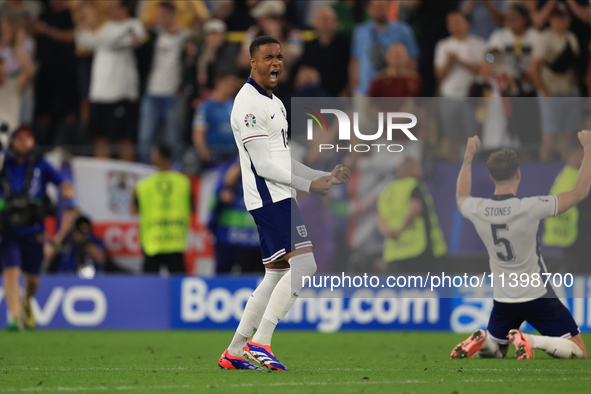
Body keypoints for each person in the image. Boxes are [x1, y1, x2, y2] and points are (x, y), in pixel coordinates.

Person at [218, 36, 351, 371]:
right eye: (267, 58)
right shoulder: (248, 103)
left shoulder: (274, 103)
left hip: (279, 195)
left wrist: (322, 175)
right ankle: (261, 343)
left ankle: (234, 351)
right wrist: (308, 185)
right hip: (270, 196)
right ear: (253, 62)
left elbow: (283, 158)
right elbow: (263, 166)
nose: (275, 63)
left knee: (276, 274)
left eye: (279, 57)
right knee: (305, 266)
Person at [451, 133, 591, 360]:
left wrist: (468, 154)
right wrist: (588, 148)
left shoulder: (479, 208)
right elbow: (580, 192)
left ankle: (485, 342)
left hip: (503, 299)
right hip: (537, 294)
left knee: (498, 352)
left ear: (491, 176)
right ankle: (531, 339)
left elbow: (460, 195)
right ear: (518, 174)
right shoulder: (530, 207)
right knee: (580, 352)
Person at [0, 127, 75, 331]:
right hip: (9, 230)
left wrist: (67, 188)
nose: (25, 143)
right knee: (11, 271)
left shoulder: (40, 164)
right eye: (20, 139)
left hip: (34, 230)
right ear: (13, 141)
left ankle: (27, 301)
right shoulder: (3, 162)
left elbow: (63, 181)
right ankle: (14, 317)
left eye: (29, 138)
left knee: (32, 279)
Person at [74, 0, 146, 161]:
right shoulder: (106, 28)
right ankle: (101, 181)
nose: (109, 10)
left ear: (124, 7)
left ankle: (127, 180)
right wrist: (83, 20)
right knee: (99, 138)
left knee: (123, 140)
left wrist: (94, 25)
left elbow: (124, 41)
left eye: (113, 7)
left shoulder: (134, 25)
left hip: (121, 94)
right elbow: (83, 41)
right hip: (99, 93)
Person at [137, 1, 192, 164]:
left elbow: (189, 66)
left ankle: (174, 172)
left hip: (173, 94)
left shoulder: (185, 37)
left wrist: (189, 55)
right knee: (145, 139)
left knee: (173, 139)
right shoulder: (153, 35)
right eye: (157, 15)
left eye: (162, 15)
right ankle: (144, 172)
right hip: (151, 92)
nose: (159, 18)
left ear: (172, 14)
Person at [487, 3, 541, 159]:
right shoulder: (499, 36)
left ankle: (530, 156)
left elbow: (541, 60)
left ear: (525, 19)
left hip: (530, 89)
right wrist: (498, 61)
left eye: (515, 18)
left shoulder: (535, 37)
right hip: (507, 90)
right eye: (508, 19)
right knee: (510, 126)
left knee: (530, 127)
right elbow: (488, 56)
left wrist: (532, 73)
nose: (510, 22)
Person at [376, 158, 447, 273]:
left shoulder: (388, 190)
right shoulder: (413, 185)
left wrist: (389, 233)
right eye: (417, 166)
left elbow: (379, 218)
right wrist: (400, 229)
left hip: (395, 251)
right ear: (410, 169)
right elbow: (415, 208)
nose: (421, 168)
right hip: (418, 248)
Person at [130, 143, 192, 275]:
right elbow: (192, 209)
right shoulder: (184, 182)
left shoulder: (143, 186)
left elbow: (133, 210)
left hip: (153, 241)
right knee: (179, 285)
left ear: (156, 157)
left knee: (149, 287)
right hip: (175, 241)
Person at [530, 3, 581, 161]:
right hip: (552, 92)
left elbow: (573, 66)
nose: (562, 21)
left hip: (569, 92)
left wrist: (575, 86)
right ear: (551, 19)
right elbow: (533, 69)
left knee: (569, 138)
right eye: (558, 18)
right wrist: (545, 91)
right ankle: (543, 173)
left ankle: (567, 172)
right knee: (550, 138)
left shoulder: (571, 38)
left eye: (565, 18)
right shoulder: (545, 38)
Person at [435, 11, 485, 161]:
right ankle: (453, 166)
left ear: (466, 23)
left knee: (471, 135)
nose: (454, 25)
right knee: (452, 136)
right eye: (451, 23)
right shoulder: (443, 46)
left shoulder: (480, 44)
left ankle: (471, 165)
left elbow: (482, 70)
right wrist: (450, 62)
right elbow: (439, 74)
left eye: (458, 21)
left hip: (471, 97)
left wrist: (460, 61)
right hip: (449, 96)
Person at [350, 0, 418, 96]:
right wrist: (354, 89)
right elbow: (355, 61)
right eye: (375, 6)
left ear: (388, 6)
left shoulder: (403, 30)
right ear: (369, 9)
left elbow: (412, 62)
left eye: (382, 6)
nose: (379, 10)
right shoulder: (360, 31)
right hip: (364, 91)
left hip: (394, 94)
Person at [32, 0, 77, 146]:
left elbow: (73, 36)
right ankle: (41, 144)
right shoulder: (44, 13)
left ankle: (65, 146)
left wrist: (47, 30)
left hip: (67, 70)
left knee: (68, 112)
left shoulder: (71, 14)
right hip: (45, 69)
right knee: (43, 111)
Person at [209, 157, 262, 274]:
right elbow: (216, 200)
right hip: (229, 239)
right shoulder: (228, 168)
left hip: (256, 242)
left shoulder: (269, 167)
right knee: (224, 278)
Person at [542, 146, 591, 274]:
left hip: (577, 233)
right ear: (571, 157)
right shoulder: (576, 177)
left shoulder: (567, 174)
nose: (584, 160)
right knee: (578, 268)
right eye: (581, 156)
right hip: (577, 233)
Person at [300, 6, 351, 97]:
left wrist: (346, 91)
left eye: (328, 19)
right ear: (315, 23)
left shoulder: (345, 43)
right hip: (312, 91)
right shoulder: (309, 43)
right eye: (322, 20)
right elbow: (303, 66)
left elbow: (350, 69)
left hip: (335, 94)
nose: (325, 23)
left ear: (335, 23)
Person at [192, 71, 238, 168]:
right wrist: (203, 151)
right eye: (230, 82)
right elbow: (198, 132)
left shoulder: (235, 106)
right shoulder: (205, 107)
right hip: (212, 155)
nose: (233, 85)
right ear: (219, 83)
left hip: (232, 156)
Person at [0, 26, 34, 139]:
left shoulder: (13, 85)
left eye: (5, 73)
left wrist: (18, 47)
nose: (3, 76)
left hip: (11, 135)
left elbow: (29, 71)